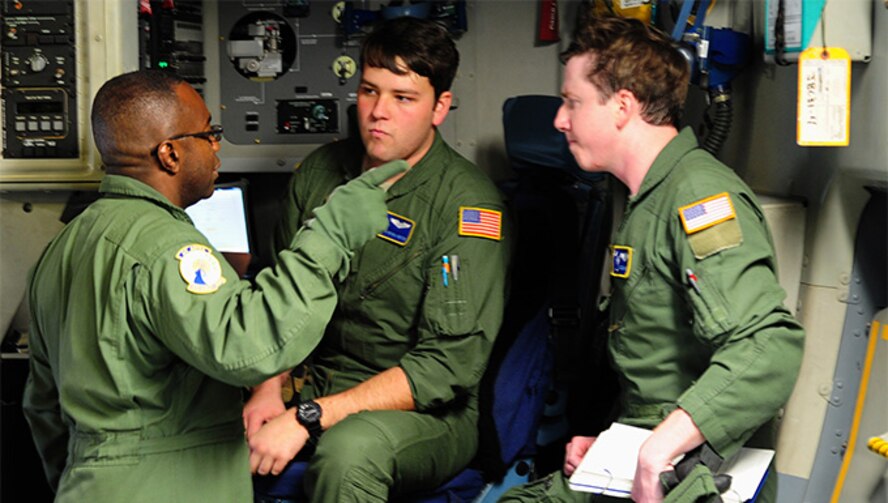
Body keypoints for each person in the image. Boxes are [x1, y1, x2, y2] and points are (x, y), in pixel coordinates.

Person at [22, 69, 406, 502]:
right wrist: (332, 232)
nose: (217, 145)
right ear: (170, 154)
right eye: (208, 133)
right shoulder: (164, 245)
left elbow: (42, 406)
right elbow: (251, 346)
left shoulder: (63, 247)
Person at [499, 12, 804, 503]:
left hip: (697, 472)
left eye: (572, 102)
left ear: (622, 106)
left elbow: (770, 346)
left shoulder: (697, 198)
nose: (559, 119)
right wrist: (613, 446)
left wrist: (657, 449)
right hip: (641, 448)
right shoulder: (644, 199)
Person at [244, 17, 512, 501]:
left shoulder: (466, 206)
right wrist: (268, 386)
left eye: (402, 98)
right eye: (370, 92)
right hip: (311, 385)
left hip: (423, 412)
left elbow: (445, 367)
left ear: (440, 107)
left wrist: (311, 416)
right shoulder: (320, 173)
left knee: (348, 456)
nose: (378, 112)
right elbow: (275, 295)